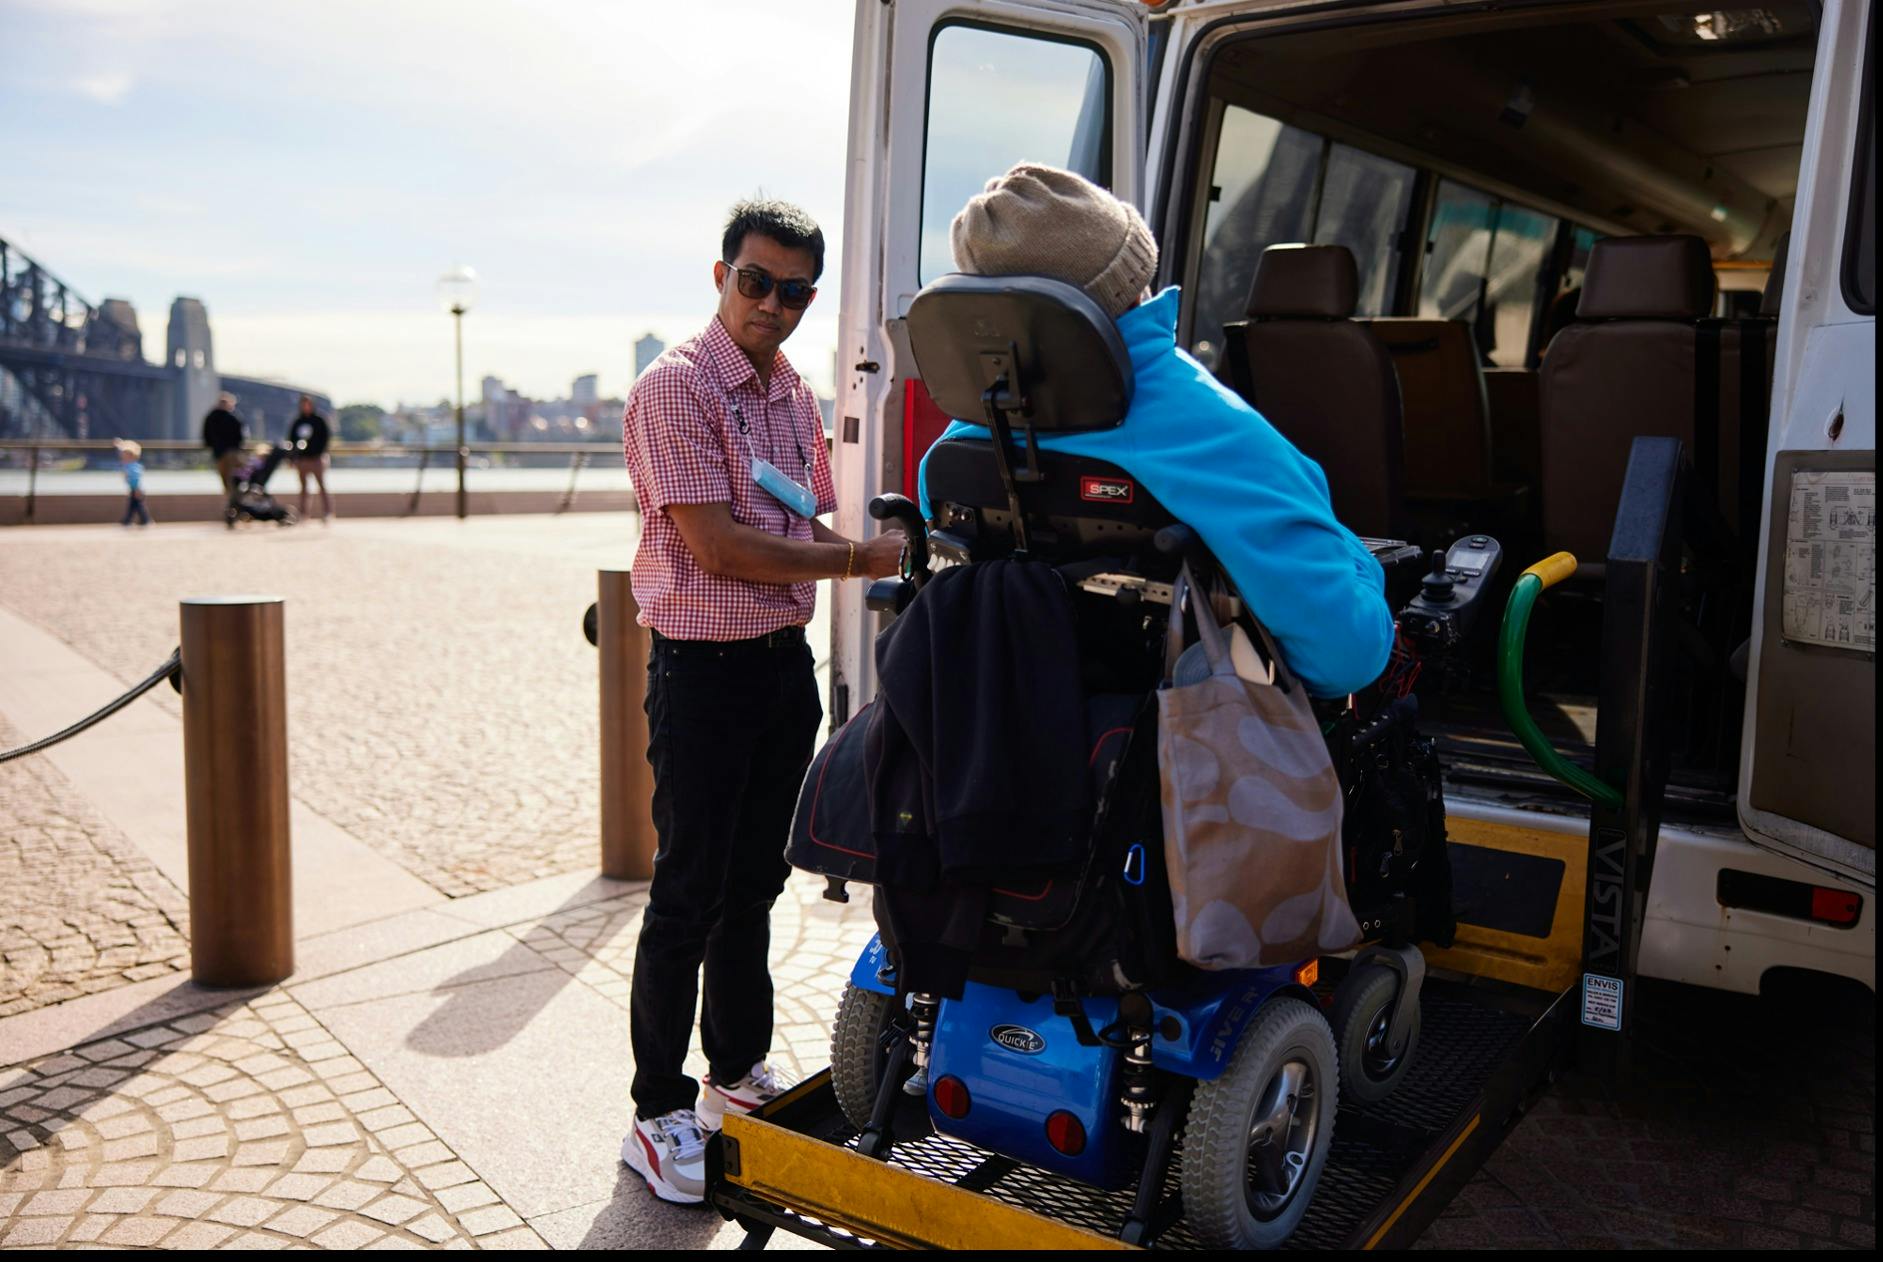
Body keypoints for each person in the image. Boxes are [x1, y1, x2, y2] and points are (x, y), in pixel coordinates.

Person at [617, 197, 905, 1205]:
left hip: (780, 664)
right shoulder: (675, 388)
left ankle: (734, 1070)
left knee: (755, 883)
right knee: (687, 890)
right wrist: (860, 558)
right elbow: (720, 547)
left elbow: (796, 503)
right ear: (719, 275)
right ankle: (656, 1112)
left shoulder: (788, 392)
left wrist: (837, 552)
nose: (770, 304)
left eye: (792, 290)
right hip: (700, 672)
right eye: (754, 281)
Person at [918, 164, 1394, 698]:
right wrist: (1358, 560)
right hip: (1172, 751)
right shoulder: (1212, 432)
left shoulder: (964, 439)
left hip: (998, 716)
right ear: (1132, 274)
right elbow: (1344, 658)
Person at [287, 394, 334, 523]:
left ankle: (327, 513)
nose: (305, 406)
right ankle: (304, 514)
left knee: (321, 486)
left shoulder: (319, 420)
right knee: (303, 488)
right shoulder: (298, 422)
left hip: (317, 459)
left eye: (307, 404)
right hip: (302, 460)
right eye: (303, 404)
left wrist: (320, 454)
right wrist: (292, 458)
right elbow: (291, 441)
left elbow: (325, 439)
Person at [202, 392, 245, 507]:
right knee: (235, 480)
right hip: (232, 453)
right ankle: (236, 504)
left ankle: (233, 504)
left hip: (219, 453)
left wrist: (212, 446)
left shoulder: (210, 417)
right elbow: (241, 437)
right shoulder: (233, 417)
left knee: (226, 481)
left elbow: (206, 437)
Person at [114, 439, 150, 527]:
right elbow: (123, 450)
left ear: (131, 456)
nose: (122, 457)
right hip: (134, 489)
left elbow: (135, 479)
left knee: (137, 505)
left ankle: (139, 520)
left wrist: (136, 489)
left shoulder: (133, 466)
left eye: (124, 456)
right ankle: (137, 520)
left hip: (136, 489)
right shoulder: (129, 465)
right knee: (134, 505)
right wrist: (119, 444)